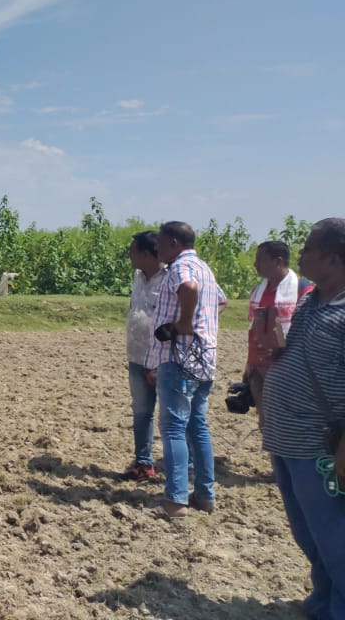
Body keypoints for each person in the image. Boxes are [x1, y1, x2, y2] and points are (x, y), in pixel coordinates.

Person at [260, 218, 345, 619]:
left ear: (332, 257)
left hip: (321, 445)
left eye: (309, 247)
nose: (301, 253)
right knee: (310, 534)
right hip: (287, 436)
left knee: (335, 537)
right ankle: (322, 603)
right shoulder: (314, 300)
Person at [145, 221, 224, 518]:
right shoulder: (205, 267)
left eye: (161, 244)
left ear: (174, 243)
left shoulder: (181, 268)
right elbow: (221, 301)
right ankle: (205, 494)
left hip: (179, 358)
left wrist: (183, 325)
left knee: (174, 427)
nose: (158, 249)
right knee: (197, 426)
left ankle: (176, 500)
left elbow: (188, 288)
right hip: (204, 358)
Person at [245, 240, 312, 412]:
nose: (255, 264)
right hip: (258, 367)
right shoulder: (257, 292)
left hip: (285, 368)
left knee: (282, 418)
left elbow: (306, 332)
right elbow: (253, 330)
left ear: (278, 261)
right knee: (264, 422)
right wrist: (249, 366)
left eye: (260, 260)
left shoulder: (303, 290)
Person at [122, 230, 167, 481]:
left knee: (172, 415)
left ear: (149, 253)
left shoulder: (172, 277)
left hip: (163, 358)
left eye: (134, 251)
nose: (130, 255)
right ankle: (143, 462)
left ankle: (184, 466)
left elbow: (217, 302)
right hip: (137, 354)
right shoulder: (138, 276)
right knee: (141, 411)